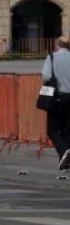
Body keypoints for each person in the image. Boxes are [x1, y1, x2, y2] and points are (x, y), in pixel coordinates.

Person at [42, 36, 70, 170]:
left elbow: (46, 76)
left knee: (52, 130)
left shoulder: (52, 57)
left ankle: (64, 151)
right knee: (67, 130)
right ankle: (64, 162)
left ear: (57, 45)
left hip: (57, 97)